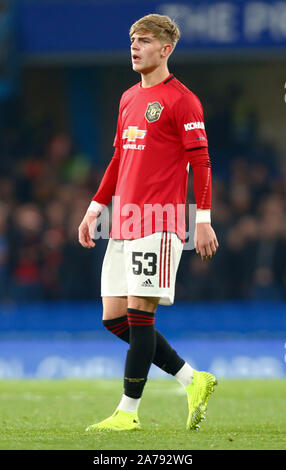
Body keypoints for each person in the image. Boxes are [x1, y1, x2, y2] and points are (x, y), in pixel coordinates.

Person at [78, 13, 219, 432]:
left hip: (161, 221)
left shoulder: (182, 100)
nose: (135, 47)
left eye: (143, 40)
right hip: (124, 220)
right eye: (132, 40)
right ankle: (192, 379)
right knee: (114, 318)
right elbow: (119, 159)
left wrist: (204, 219)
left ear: (166, 49)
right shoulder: (127, 99)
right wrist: (94, 208)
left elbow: (201, 161)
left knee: (141, 315)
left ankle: (127, 413)